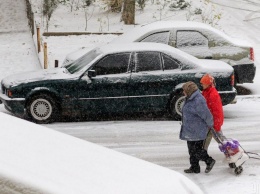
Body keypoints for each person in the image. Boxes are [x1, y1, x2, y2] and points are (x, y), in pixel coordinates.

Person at [180, 81, 216, 174]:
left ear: (189, 90)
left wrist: (210, 124)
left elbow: (206, 114)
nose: (183, 92)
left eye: (184, 90)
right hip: (190, 129)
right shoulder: (189, 98)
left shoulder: (198, 100)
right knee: (191, 151)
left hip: (197, 130)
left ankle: (209, 161)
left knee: (197, 151)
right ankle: (194, 167)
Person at [200, 74, 225, 150]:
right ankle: (203, 152)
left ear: (208, 84)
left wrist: (216, 124)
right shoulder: (206, 92)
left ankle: (230, 150)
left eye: (203, 83)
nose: (201, 85)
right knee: (208, 137)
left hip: (213, 122)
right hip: (209, 121)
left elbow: (217, 111)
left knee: (220, 139)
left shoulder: (212, 94)